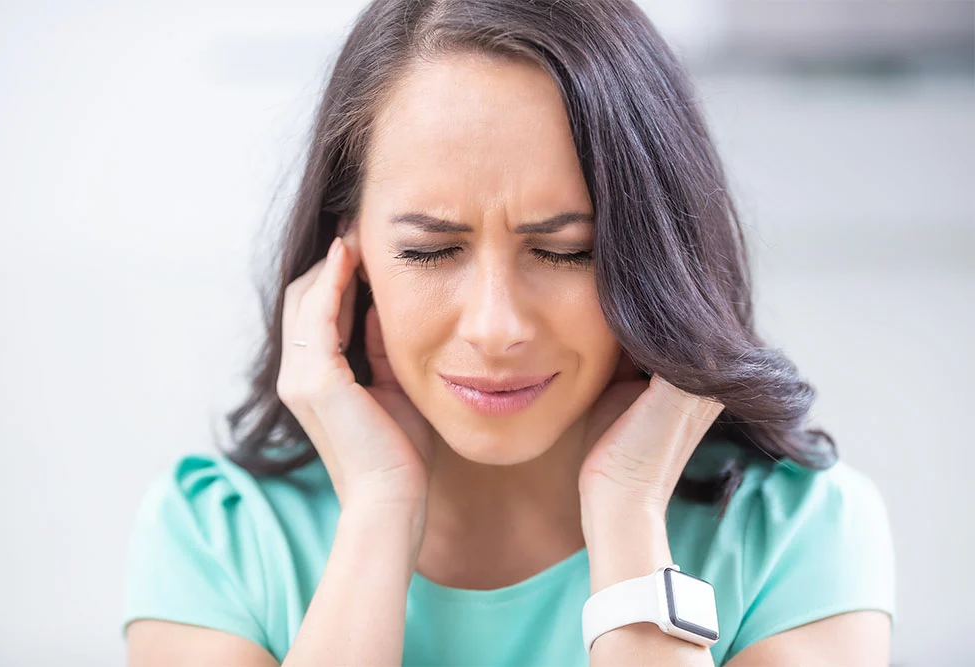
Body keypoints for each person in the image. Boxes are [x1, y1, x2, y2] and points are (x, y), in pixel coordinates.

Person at [121, 0, 896, 665]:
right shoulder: (217, 540)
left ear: (656, 251)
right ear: (346, 253)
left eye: (565, 252)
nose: (496, 327)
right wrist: (378, 512)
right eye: (430, 250)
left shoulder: (797, 535)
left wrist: (629, 512)